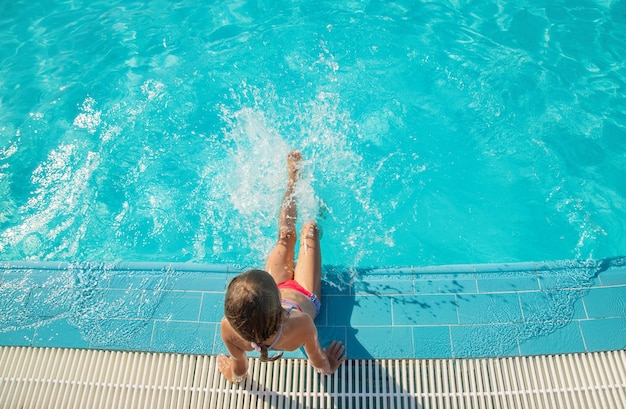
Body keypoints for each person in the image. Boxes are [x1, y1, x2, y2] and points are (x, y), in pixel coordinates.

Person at [217, 150, 347, 384]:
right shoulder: (300, 323)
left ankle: (293, 179)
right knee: (310, 230)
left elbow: (240, 368)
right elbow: (317, 360)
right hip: (305, 294)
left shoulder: (228, 328)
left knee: (286, 236)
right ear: (277, 301)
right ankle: (320, 212)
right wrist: (330, 366)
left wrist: (232, 375)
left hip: (275, 292)